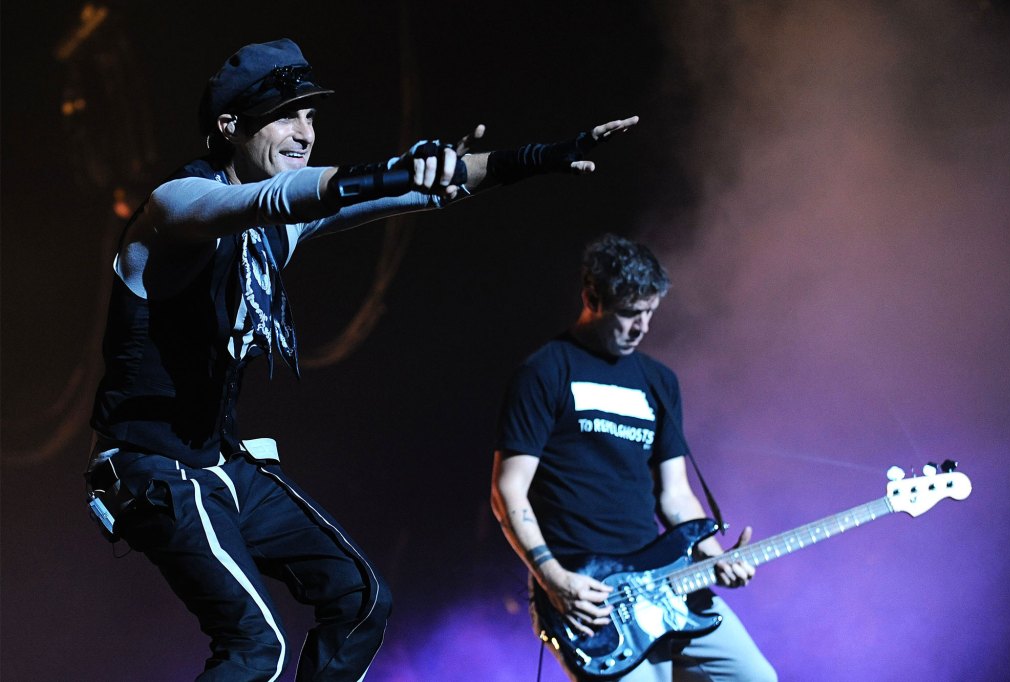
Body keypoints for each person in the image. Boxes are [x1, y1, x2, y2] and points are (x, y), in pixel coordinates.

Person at [84, 37, 638, 681]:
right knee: (255, 648)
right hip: (149, 467)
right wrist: (400, 168)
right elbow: (285, 198)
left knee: (360, 600)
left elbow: (425, 192)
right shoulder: (176, 206)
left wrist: (541, 155)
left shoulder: (273, 228)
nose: (304, 133)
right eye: (285, 115)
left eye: (312, 116)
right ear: (229, 127)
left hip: (217, 463)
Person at [491, 234, 776, 681]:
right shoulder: (545, 371)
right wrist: (552, 577)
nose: (642, 327)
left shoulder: (659, 381)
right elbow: (508, 490)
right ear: (591, 297)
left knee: (754, 677)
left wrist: (713, 554)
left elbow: (676, 496)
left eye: (649, 312)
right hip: (592, 595)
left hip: (667, 580)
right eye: (628, 313)